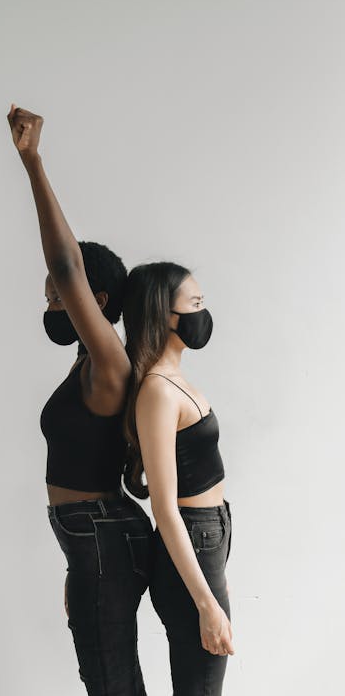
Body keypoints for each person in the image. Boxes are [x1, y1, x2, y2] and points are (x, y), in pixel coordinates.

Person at [7, 103, 153, 696]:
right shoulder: (87, 363)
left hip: (102, 536)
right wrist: (77, 564)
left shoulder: (111, 361)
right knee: (107, 676)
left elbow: (65, 263)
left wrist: (32, 161)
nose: (50, 304)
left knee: (110, 681)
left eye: (57, 295)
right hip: (91, 540)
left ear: (90, 298)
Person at [122, 261, 234, 696]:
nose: (202, 314)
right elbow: (165, 509)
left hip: (210, 535)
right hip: (190, 535)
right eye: (195, 304)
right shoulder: (156, 391)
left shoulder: (173, 379)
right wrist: (206, 603)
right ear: (162, 315)